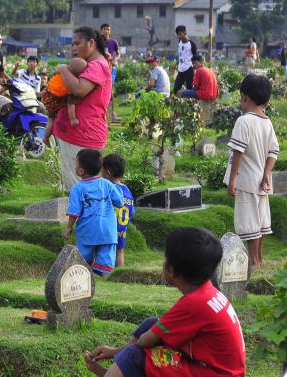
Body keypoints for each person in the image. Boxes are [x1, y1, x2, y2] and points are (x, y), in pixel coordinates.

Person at [84, 228, 246, 377]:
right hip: (214, 368)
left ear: (171, 269)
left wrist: (125, 352)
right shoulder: (207, 292)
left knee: (135, 354)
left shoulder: (193, 303)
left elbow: (145, 341)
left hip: (211, 372)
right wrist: (115, 352)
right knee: (152, 324)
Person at [223, 74, 279, 268]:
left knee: (249, 222)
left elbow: (238, 152)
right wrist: (266, 173)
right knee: (261, 221)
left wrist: (232, 181)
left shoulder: (244, 121)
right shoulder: (267, 122)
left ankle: (253, 261)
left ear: (245, 97)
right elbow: (274, 152)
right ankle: (259, 259)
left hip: (246, 180)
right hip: (262, 180)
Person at [52, 26, 112, 191]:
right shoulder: (93, 63)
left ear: (91, 43)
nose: (74, 48)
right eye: (73, 44)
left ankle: (82, 218)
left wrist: (63, 69)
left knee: (79, 190)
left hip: (81, 135)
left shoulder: (97, 65)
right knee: (84, 189)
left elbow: (79, 89)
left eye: (77, 43)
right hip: (78, 134)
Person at [62, 149, 123, 275]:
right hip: (108, 232)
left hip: (87, 233)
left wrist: (68, 227)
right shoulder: (107, 184)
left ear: (81, 170)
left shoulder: (77, 188)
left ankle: (84, 277)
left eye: (76, 163)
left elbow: (74, 211)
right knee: (105, 263)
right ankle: (102, 275)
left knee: (82, 262)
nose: (75, 166)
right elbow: (119, 202)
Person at [41, 58, 88, 147]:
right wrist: (73, 119)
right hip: (53, 101)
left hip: (46, 93)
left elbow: (55, 71)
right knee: (51, 120)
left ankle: (45, 138)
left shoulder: (61, 70)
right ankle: (46, 138)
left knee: (50, 119)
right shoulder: (70, 84)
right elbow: (70, 104)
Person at [101, 154, 135, 267]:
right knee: (119, 251)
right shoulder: (127, 191)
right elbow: (132, 211)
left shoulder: (108, 188)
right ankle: (119, 273)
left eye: (102, 171)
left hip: (109, 227)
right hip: (122, 228)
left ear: (108, 172)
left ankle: (100, 273)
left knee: (100, 249)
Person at [173, 25, 197, 94]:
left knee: (189, 89)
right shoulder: (179, 42)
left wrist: (195, 70)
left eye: (180, 34)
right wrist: (176, 63)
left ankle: (191, 103)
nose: (179, 37)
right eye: (178, 35)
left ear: (185, 33)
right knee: (176, 89)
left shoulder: (192, 45)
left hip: (189, 69)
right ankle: (178, 102)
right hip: (181, 69)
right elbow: (181, 55)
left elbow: (195, 59)